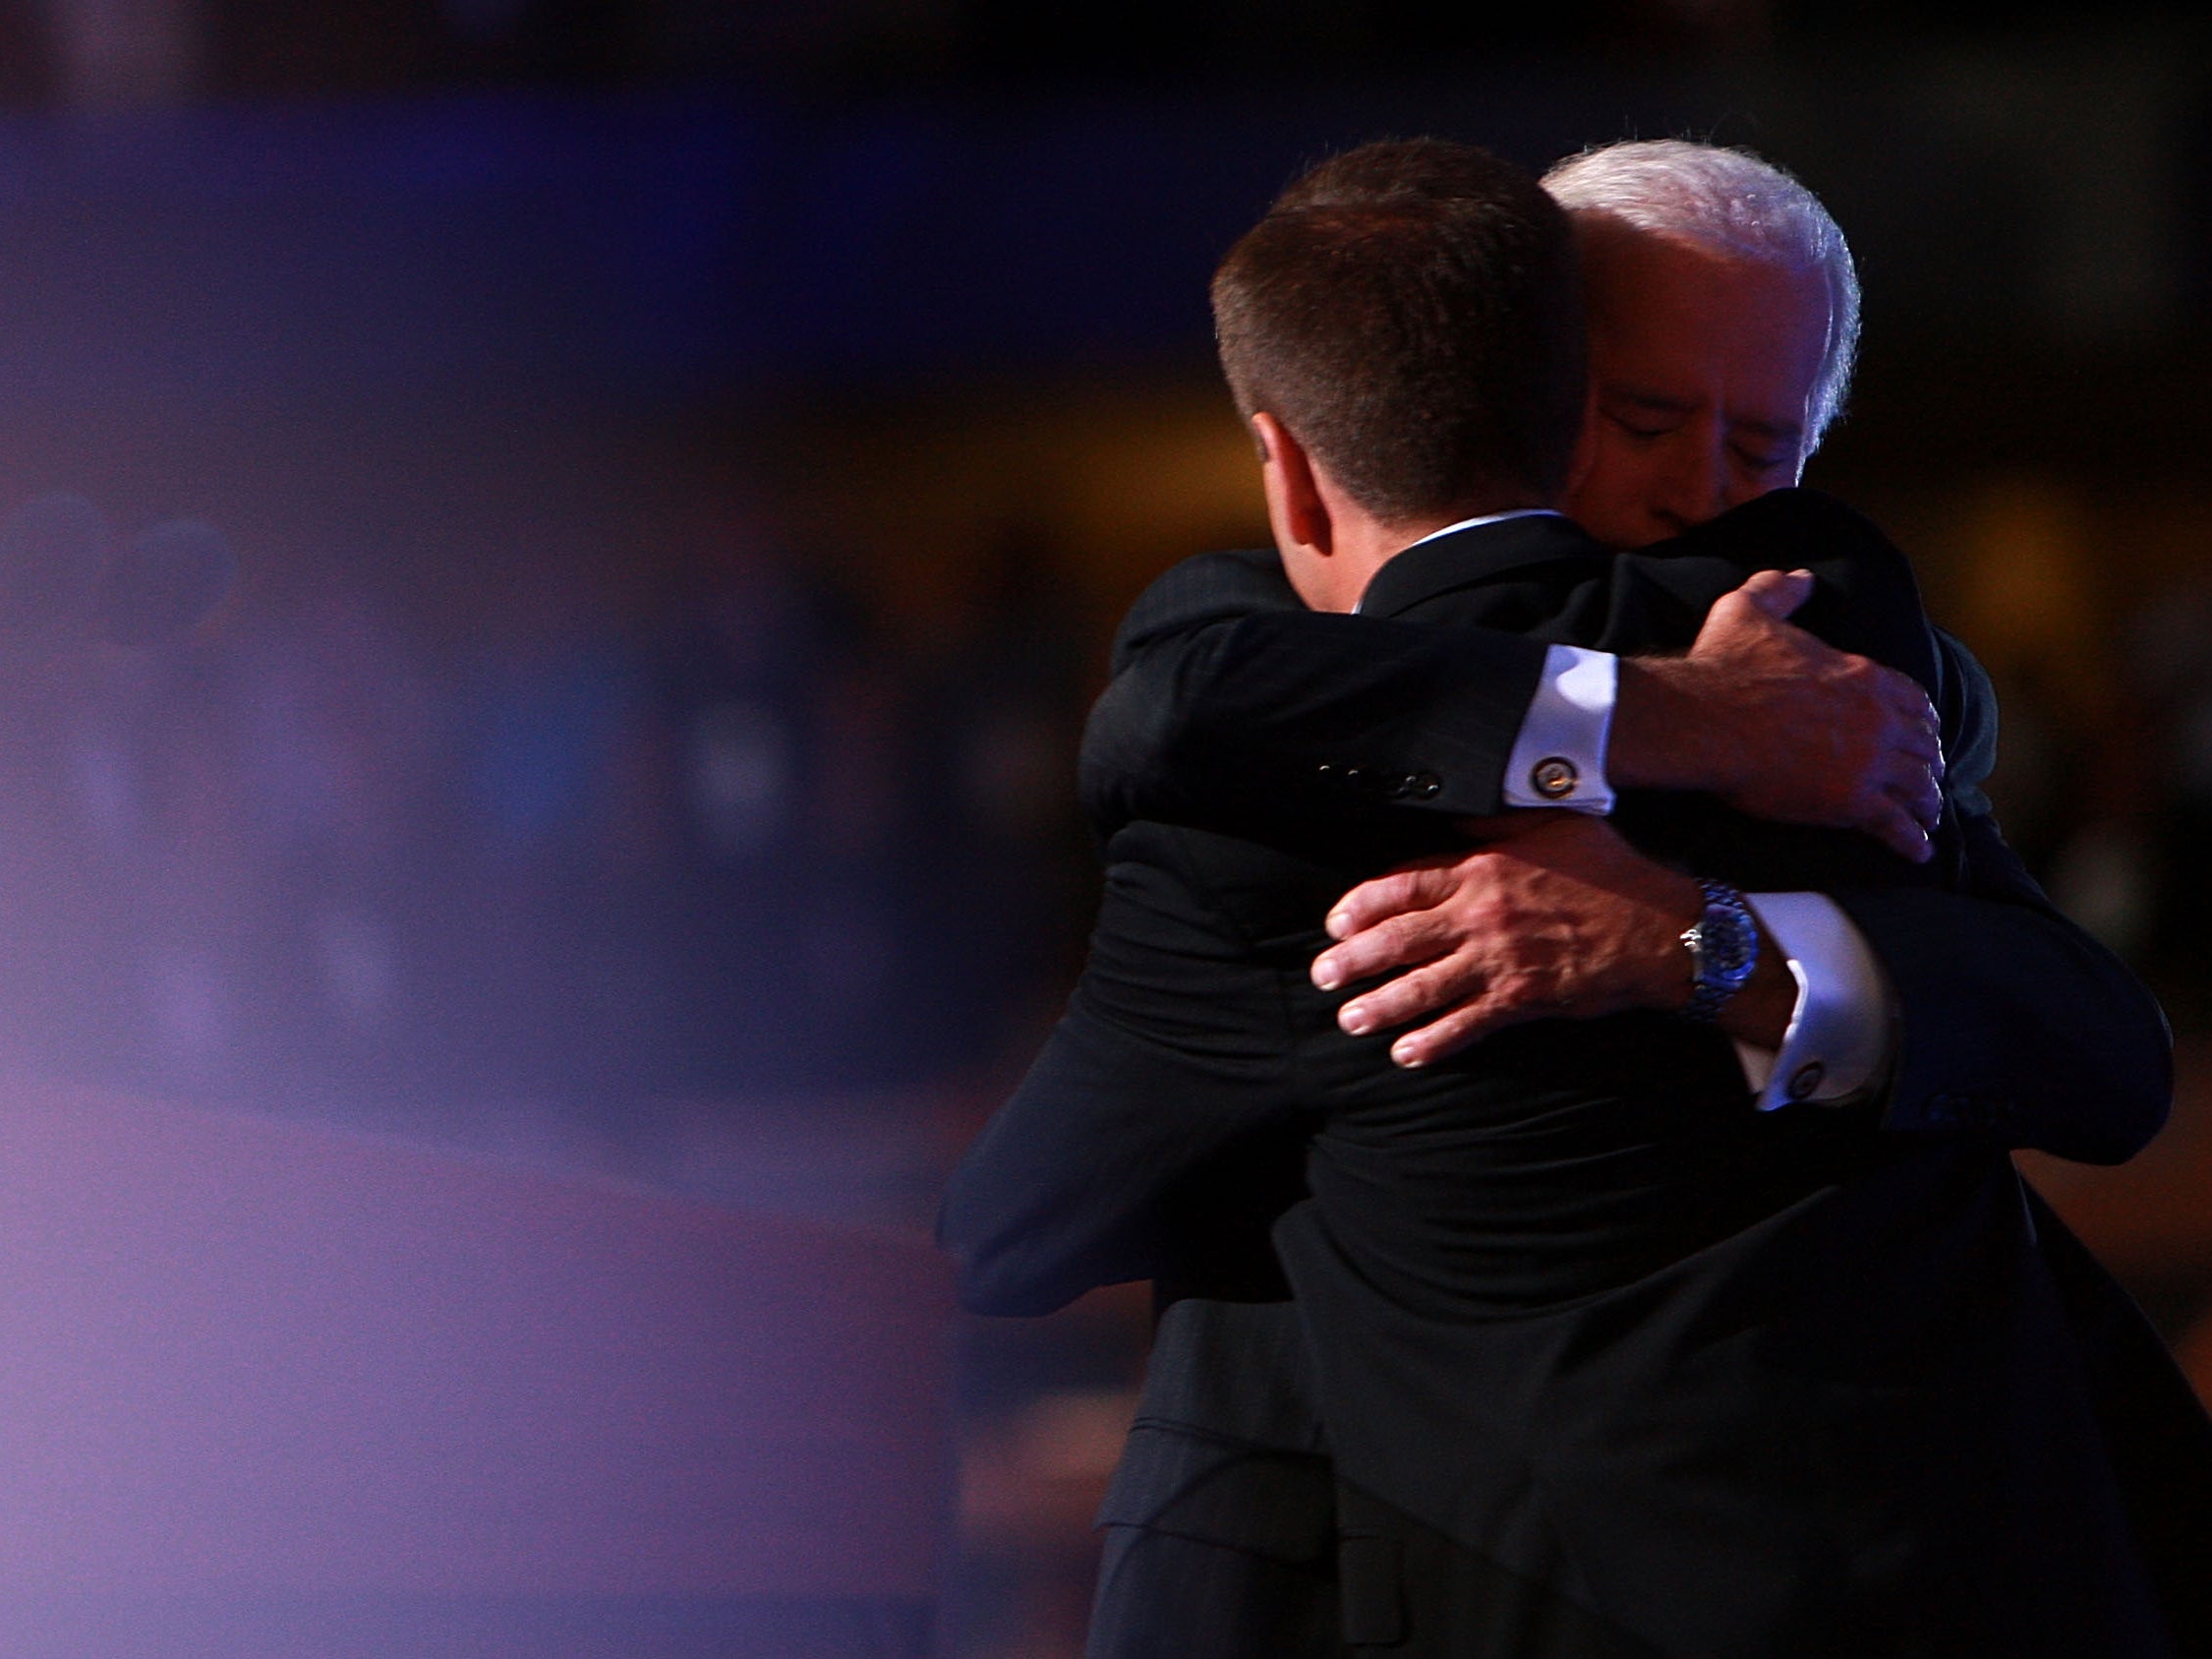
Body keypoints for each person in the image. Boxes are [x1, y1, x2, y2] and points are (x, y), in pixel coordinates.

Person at [940, 139, 2194, 1655]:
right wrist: (1689, 720)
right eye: (1645, 416)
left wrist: (1696, 944)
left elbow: (2095, 1051)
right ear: (1519, 378)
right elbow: (1180, 715)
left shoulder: (1850, 670)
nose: (1693, 492)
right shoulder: (1263, 673)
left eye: (1762, 445)